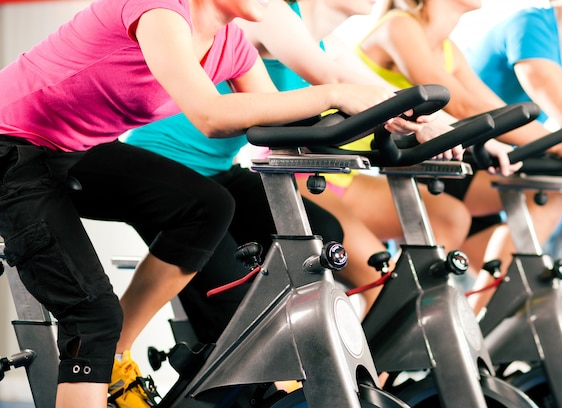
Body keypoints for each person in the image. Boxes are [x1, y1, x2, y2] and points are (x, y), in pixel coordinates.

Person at [0, 0, 402, 408]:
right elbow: (210, 115)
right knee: (93, 319)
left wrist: (392, 123)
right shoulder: (159, 11)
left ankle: (117, 356)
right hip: (12, 146)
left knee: (206, 206)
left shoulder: (230, 44)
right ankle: (106, 351)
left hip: (77, 148)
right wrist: (336, 93)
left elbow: (282, 128)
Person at [126, 0, 519, 325]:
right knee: (234, 300)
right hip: (167, 163)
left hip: (220, 171)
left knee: (326, 233)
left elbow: (380, 90)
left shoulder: (326, 39)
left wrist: (458, 131)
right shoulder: (274, 14)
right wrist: (418, 121)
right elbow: (333, 80)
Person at [354, 0, 562, 314]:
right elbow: (463, 107)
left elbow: (496, 111)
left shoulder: (449, 48)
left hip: (450, 162)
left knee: (523, 223)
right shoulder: (400, 25)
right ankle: (472, 328)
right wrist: (561, 144)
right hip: (404, 167)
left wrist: (556, 142)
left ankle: (480, 331)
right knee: (528, 197)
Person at [462, 0, 562, 311]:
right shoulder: (531, 25)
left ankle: (487, 320)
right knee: (547, 195)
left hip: (497, 168)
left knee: (522, 296)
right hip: (463, 160)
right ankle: (475, 321)